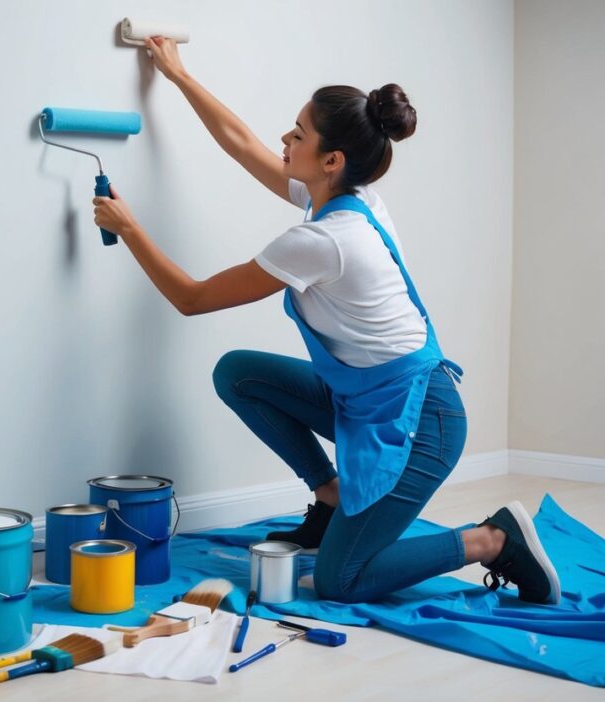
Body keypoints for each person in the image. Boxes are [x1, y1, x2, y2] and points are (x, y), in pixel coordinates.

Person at [91, 36, 560, 605]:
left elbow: (192, 299)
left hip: (422, 423)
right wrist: (178, 74)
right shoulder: (347, 196)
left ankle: (491, 538)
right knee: (238, 373)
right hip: (365, 399)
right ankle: (331, 496)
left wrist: (130, 228)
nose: (284, 140)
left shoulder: (323, 241)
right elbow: (242, 145)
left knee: (341, 580)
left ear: (331, 160)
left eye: (298, 134)